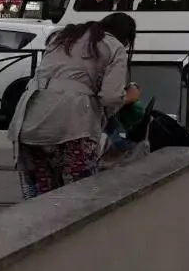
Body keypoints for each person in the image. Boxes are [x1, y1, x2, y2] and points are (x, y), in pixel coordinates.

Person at [7, 13, 137, 200]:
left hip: (29, 120)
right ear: (126, 38)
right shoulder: (114, 46)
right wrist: (130, 96)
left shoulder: (64, 37)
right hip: (73, 127)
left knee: (42, 199)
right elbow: (111, 97)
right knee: (78, 198)